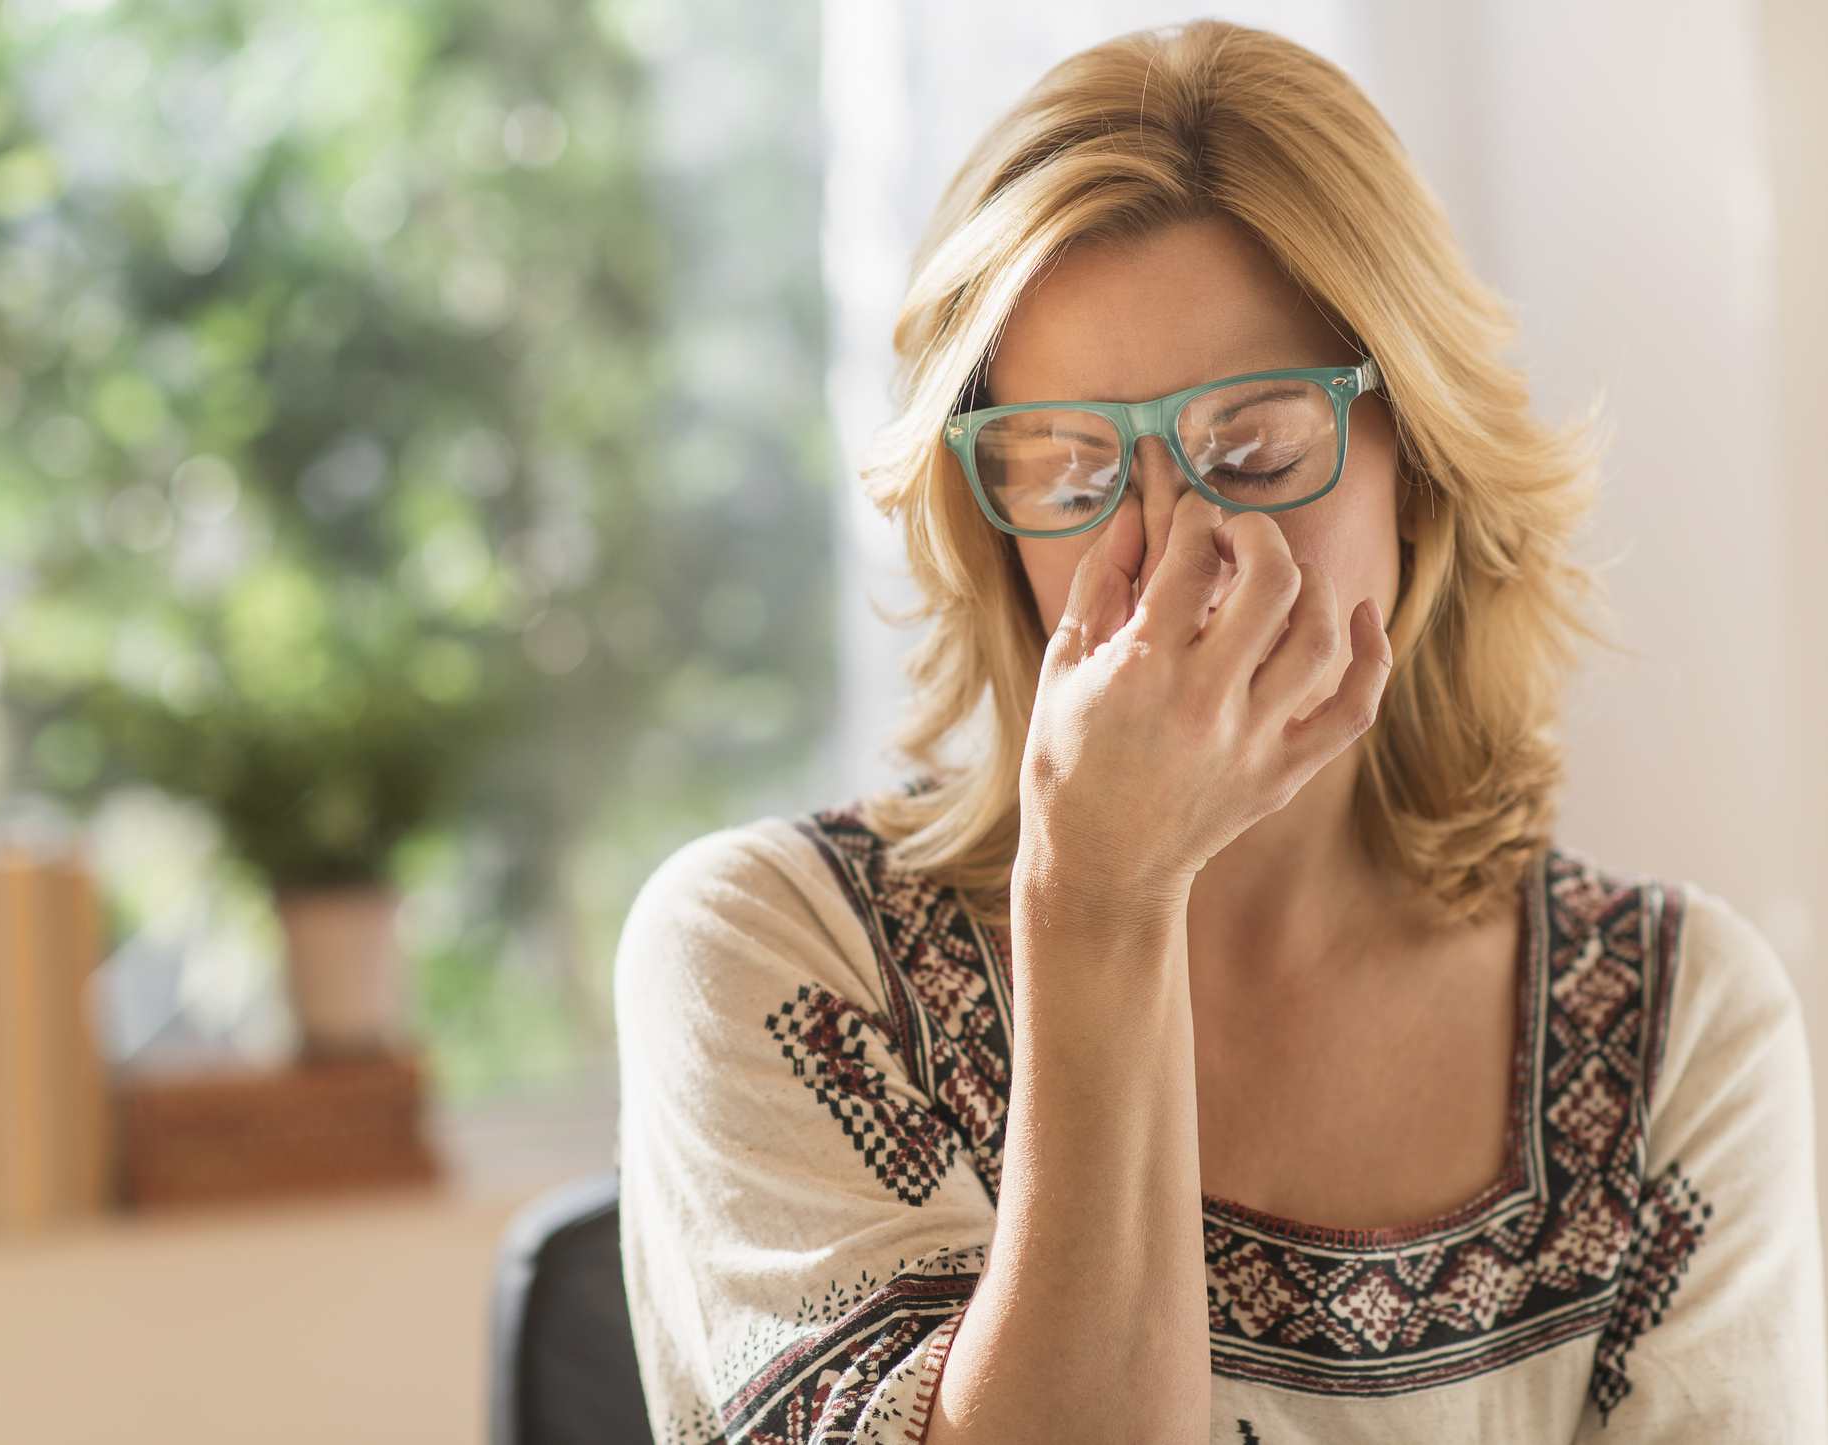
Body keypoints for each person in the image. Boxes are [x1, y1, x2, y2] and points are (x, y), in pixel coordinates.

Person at [612, 19, 1826, 1443]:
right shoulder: (775, 958)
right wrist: (1102, 899)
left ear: (1421, 470)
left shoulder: (1675, 1032)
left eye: (1251, 452)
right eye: (1068, 470)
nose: (1167, 547)